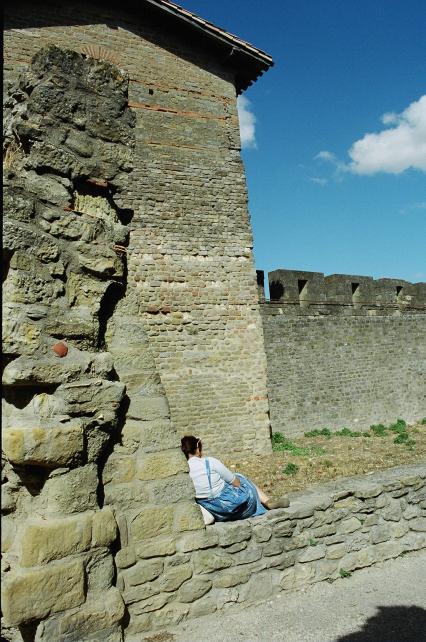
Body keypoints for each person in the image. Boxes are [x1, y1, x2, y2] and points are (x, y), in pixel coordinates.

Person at [181, 435, 290, 523]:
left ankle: (267, 502)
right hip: (235, 507)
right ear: (198, 449)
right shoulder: (209, 462)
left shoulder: (184, 471)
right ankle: (267, 502)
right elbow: (236, 483)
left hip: (217, 512)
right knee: (239, 477)